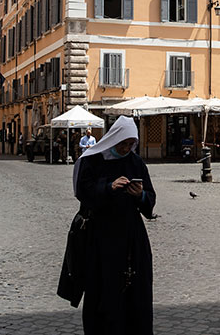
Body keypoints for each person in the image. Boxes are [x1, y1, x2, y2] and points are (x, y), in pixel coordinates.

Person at [58, 116, 155, 335]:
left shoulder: (136, 162)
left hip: (132, 237)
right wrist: (109, 187)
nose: (126, 148)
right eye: (123, 143)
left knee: (135, 292)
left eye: (130, 144)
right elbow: (83, 192)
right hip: (101, 236)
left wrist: (140, 195)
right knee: (103, 289)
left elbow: (150, 198)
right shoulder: (93, 160)